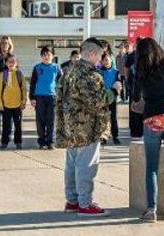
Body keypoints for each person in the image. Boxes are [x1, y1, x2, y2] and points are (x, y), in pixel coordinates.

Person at [132, 37, 164, 223]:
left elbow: (136, 97)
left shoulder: (141, 72)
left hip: (153, 119)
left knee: (152, 167)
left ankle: (151, 210)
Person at [57, 37, 109, 217]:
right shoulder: (90, 75)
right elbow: (96, 103)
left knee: (71, 164)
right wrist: (114, 91)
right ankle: (85, 204)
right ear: (93, 53)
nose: (102, 59)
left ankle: (72, 201)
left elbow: (59, 95)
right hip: (87, 127)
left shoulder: (69, 71)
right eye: (101, 55)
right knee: (86, 165)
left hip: (70, 126)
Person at [30, 46, 63, 150]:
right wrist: (32, 97)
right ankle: (41, 140)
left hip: (52, 97)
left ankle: (50, 141)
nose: (46, 57)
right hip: (39, 97)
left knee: (51, 120)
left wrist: (61, 96)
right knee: (40, 120)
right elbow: (33, 83)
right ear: (41, 56)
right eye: (44, 54)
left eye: (48, 54)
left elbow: (61, 83)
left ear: (53, 56)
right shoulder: (37, 67)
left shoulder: (56, 68)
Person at [0, 54, 26, 150]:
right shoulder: (3, 74)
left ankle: (18, 142)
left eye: (13, 61)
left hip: (17, 104)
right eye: (9, 61)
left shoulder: (19, 74)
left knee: (18, 125)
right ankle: (4, 142)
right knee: (6, 125)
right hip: (6, 104)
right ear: (6, 63)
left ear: (16, 63)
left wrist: (23, 101)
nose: (11, 63)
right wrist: (0, 103)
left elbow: (23, 89)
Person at [0, 36, 14, 143]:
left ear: (9, 45)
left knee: (8, 113)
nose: (4, 45)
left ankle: (7, 133)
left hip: (9, 90)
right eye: (2, 43)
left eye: (6, 43)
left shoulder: (12, 58)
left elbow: (15, 74)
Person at [98, 51, 121, 145]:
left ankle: (115, 136)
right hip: (102, 98)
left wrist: (115, 92)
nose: (106, 62)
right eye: (104, 60)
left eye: (108, 60)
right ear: (102, 62)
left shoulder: (116, 72)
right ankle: (103, 137)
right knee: (103, 118)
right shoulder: (99, 72)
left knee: (113, 117)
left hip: (113, 97)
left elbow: (119, 84)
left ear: (111, 60)